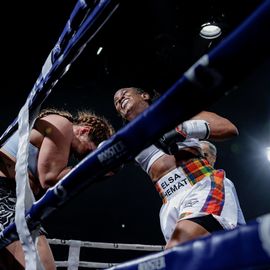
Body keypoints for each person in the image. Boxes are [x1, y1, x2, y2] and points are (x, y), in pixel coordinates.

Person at [113, 86, 245, 249]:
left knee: (174, 253)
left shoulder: (175, 113)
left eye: (124, 94)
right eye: (116, 103)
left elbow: (229, 128)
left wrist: (184, 129)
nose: (119, 99)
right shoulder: (129, 140)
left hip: (200, 185)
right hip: (169, 202)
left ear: (144, 95)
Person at [0, 108, 115, 269]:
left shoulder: (60, 150)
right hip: (4, 193)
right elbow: (48, 179)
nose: (84, 159)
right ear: (84, 130)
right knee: (42, 261)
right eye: (89, 152)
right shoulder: (63, 125)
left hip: (12, 199)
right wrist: (94, 168)